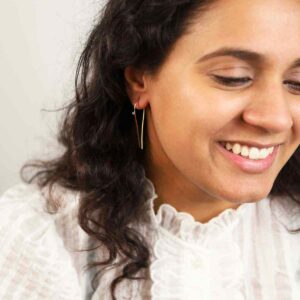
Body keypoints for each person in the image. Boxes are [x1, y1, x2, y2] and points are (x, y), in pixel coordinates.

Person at [1, 0, 300, 299]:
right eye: (232, 77)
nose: (276, 118)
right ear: (139, 80)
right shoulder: (34, 241)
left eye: (297, 83)